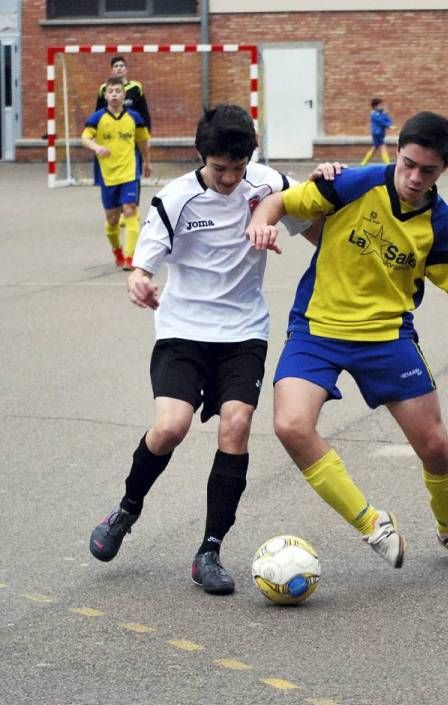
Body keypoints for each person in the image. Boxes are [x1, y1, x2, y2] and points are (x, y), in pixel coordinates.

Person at [246, 110, 448, 572]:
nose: (414, 177)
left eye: (427, 170)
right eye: (408, 164)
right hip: (318, 327)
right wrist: (262, 222)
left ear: (444, 170)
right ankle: (372, 523)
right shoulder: (353, 183)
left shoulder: (439, 221)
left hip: (387, 336)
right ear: (397, 152)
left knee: (435, 446)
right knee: (291, 426)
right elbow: (281, 202)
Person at [88, 104, 340, 595]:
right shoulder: (175, 198)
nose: (229, 178)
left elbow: (320, 227)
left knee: (237, 424)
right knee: (170, 427)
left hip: (243, 331)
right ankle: (126, 510)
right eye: (219, 168)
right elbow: (145, 265)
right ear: (201, 156)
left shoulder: (268, 184)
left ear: (251, 157)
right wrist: (140, 282)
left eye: (238, 168)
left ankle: (210, 549)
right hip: (182, 329)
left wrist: (328, 180)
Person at [82, 77, 152, 270]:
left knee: (130, 210)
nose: (114, 94)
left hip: (130, 172)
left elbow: (142, 142)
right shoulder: (97, 118)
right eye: (110, 91)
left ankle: (131, 257)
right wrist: (97, 147)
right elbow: (85, 138)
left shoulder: (135, 118)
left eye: (117, 91)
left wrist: (147, 161)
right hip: (108, 175)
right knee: (112, 219)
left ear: (123, 95)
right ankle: (118, 252)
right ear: (105, 95)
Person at [95, 56, 152, 241]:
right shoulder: (104, 89)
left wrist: (146, 134)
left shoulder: (136, 88)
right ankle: (118, 211)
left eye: (122, 66)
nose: (119, 69)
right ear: (112, 70)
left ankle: (132, 206)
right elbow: (97, 113)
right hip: (112, 142)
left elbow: (144, 113)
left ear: (126, 69)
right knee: (114, 177)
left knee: (132, 175)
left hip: (132, 139)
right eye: (116, 66)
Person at [360, 98, 394, 165]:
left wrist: (387, 118)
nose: (382, 107)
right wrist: (388, 125)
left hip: (380, 133)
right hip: (377, 133)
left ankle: (364, 163)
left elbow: (389, 121)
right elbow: (381, 121)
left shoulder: (381, 114)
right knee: (382, 147)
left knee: (375, 148)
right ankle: (387, 163)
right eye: (380, 105)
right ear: (375, 106)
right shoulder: (374, 114)